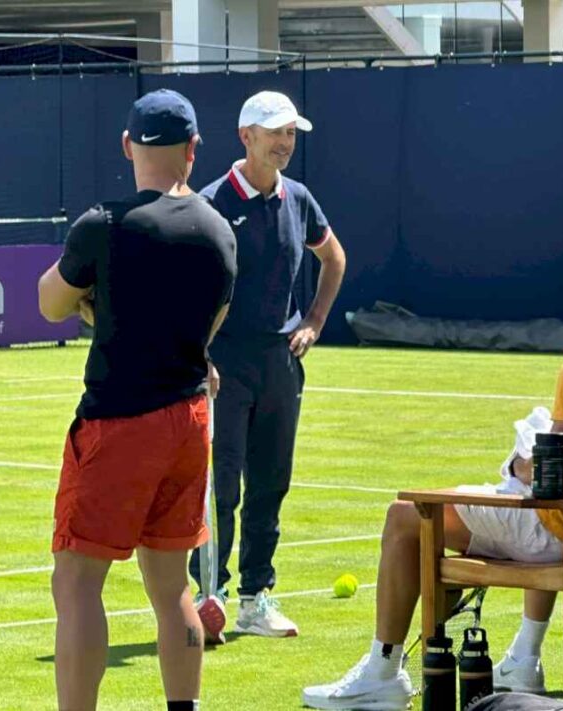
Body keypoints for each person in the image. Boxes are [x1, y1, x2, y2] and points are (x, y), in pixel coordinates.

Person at [301, 232, 563, 710]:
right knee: (530, 502)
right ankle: (524, 658)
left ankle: (382, 672)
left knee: (406, 513)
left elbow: (554, 471)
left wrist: (517, 464)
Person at [37, 89, 236, 711]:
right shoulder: (219, 230)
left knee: (75, 583)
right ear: (194, 149)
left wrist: (100, 308)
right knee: (170, 584)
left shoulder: (103, 224)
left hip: (120, 420)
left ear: (128, 146)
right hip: (188, 416)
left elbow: (49, 303)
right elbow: (209, 328)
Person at [188, 90, 347, 641]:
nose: (286, 142)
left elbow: (334, 257)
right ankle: (209, 598)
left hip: (280, 363)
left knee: (270, 484)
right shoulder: (208, 204)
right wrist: (200, 355)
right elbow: (190, 293)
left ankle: (257, 597)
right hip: (223, 365)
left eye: (291, 133)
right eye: (276, 132)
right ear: (245, 137)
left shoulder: (299, 199)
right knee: (220, 487)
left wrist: (316, 321)